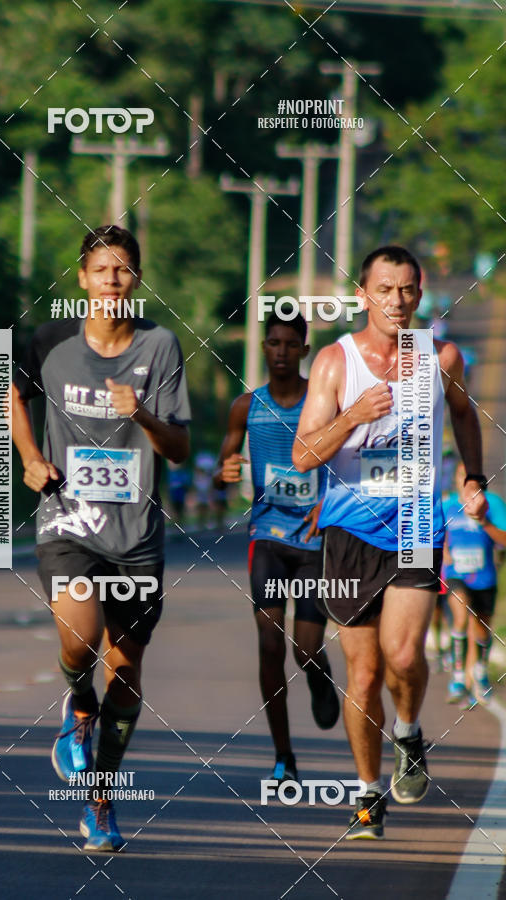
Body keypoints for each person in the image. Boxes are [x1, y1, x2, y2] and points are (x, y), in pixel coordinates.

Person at [292, 245, 488, 839]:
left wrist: (472, 476)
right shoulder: (334, 362)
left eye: (408, 290)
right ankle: (368, 793)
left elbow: (464, 415)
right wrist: (351, 417)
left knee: (404, 657)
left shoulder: (442, 357)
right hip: (349, 532)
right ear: (362, 294)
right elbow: (303, 455)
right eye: (385, 289)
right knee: (366, 673)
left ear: (420, 292)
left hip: (414, 527)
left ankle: (407, 730)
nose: (397, 301)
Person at [11, 225, 191, 851]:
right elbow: (10, 392)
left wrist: (139, 412)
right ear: (81, 278)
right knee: (80, 636)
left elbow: (178, 446)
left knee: (128, 667)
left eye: (124, 271)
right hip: (69, 520)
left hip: (136, 536)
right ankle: (75, 704)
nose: (112, 281)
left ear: (136, 279)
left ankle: (100, 806)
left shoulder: (160, 345)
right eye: (101, 270)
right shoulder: (50, 340)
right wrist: (31, 457)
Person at [214, 311, 340, 786]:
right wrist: (222, 476)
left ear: (305, 350)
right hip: (267, 537)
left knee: (303, 650)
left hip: (314, 541)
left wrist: (328, 502)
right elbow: (224, 466)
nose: (281, 351)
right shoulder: (247, 406)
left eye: (291, 343)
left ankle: (319, 671)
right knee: (269, 646)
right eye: (273, 343)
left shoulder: (323, 401)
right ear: (263, 347)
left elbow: (347, 460)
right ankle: (283, 755)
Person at [443, 461, 506, 705]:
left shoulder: (494, 504)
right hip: (455, 574)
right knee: (460, 615)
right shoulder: (446, 506)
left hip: (484, 577)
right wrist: (441, 554)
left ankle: (479, 672)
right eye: (462, 475)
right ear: (458, 479)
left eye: (471, 476)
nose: (467, 481)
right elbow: (428, 537)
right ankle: (458, 676)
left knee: (481, 629)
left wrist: (485, 523)